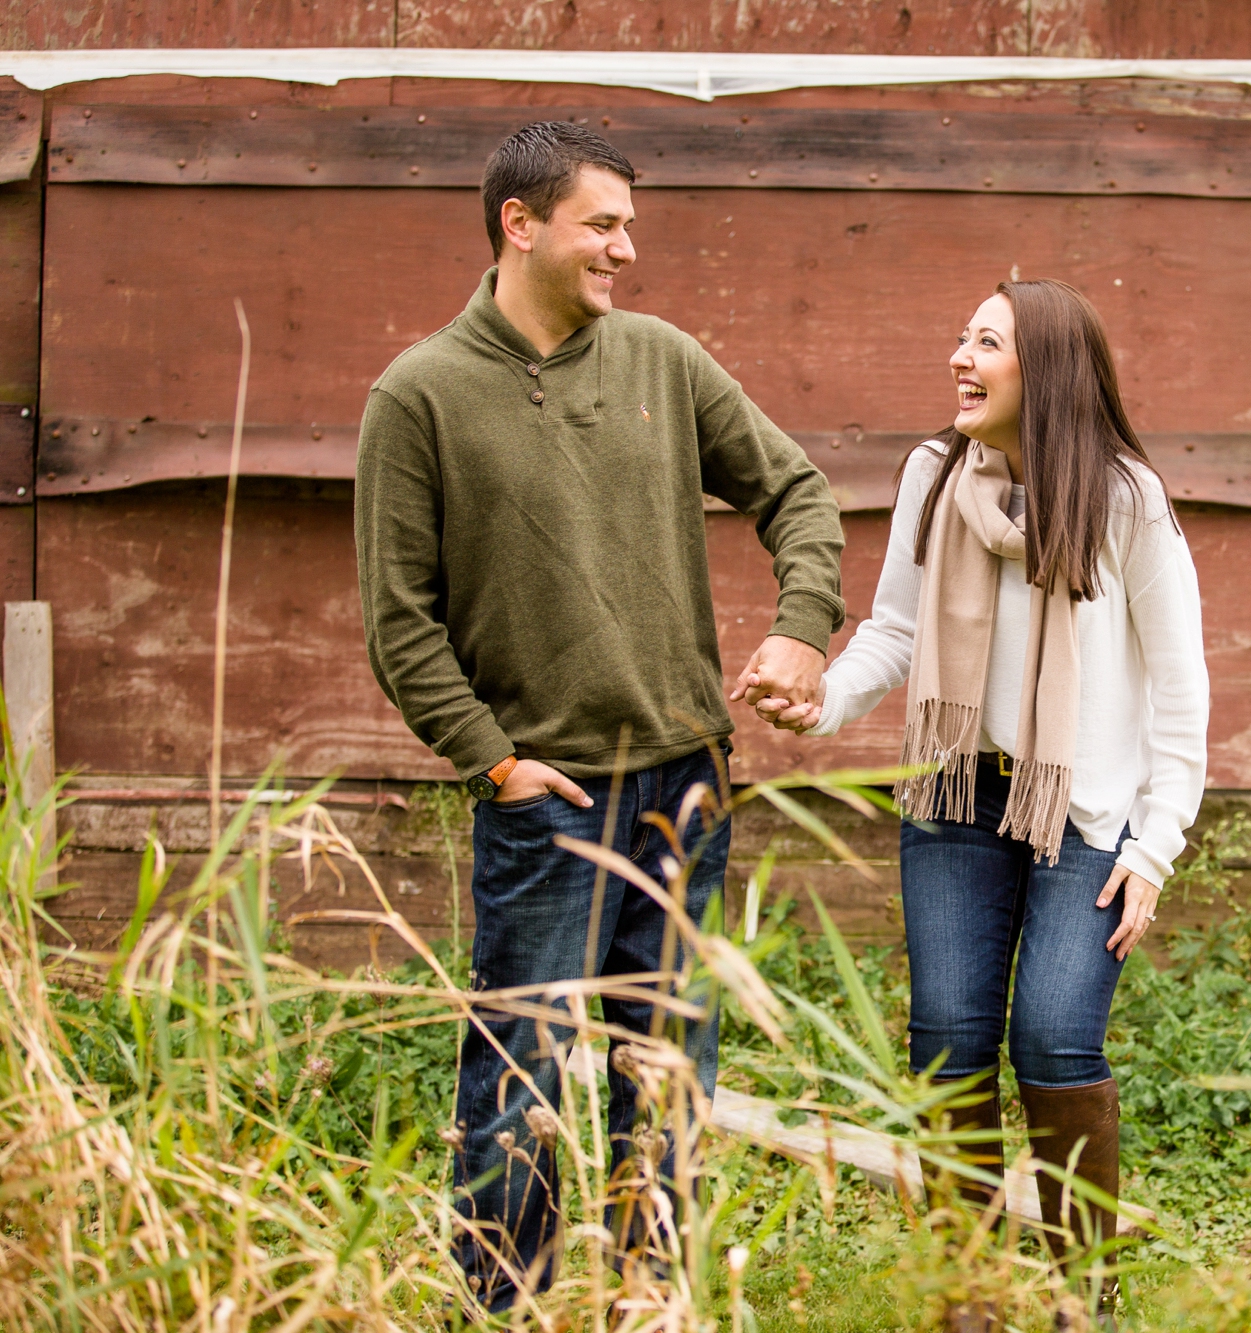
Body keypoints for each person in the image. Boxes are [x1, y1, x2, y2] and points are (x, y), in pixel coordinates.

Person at [354, 120, 845, 1310]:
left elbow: (795, 491)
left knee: (670, 1073)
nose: (627, 248)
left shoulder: (662, 361)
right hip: (547, 800)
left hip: (684, 786)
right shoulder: (417, 395)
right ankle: (505, 1302)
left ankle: (649, 1301)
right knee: (516, 1078)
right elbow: (399, 618)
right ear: (520, 224)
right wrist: (492, 762)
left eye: (630, 224)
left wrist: (801, 623)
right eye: (604, 224)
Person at [753, 278, 1208, 1329]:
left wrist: (1153, 848)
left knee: (1053, 1037)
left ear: (1041, 366)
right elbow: (896, 632)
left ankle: (1069, 1298)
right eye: (959, 336)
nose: (959, 357)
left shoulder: (1125, 499)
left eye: (986, 342)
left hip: (1084, 815)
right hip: (956, 797)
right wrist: (819, 698)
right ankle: (968, 1295)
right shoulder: (934, 474)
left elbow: (1179, 692)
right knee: (947, 1039)